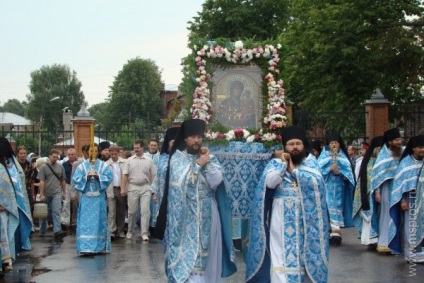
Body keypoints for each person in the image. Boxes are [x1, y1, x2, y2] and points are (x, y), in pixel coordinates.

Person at [245, 126, 328, 282]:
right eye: (291, 144)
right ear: (285, 147)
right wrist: (284, 166)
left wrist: (294, 171)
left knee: (301, 259)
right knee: (279, 258)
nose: (295, 147)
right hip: (279, 219)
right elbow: (269, 183)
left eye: (298, 143)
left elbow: (317, 184)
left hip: (304, 220)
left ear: (304, 145)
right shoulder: (275, 164)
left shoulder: (311, 164)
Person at [157, 119, 236, 283]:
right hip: (186, 217)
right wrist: (197, 165)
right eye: (193, 137)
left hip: (208, 212)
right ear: (185, 139)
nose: (196, 141)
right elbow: (179, 185)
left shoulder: (210, 158)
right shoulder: (177, 159)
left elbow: (216, 181)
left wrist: (205, 162)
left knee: (208, 254)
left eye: (199, 137)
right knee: (188, 255)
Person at [72, 143, 113, 256]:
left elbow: (109, 178)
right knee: (86, 223)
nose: (93, 153)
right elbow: (76, 180)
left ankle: (99, 246)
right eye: (91, 150)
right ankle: (85, 246)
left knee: (99, 221)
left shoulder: (103, 166)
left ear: (98, 152)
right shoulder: (82, 166)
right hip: (86, 199)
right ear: (87, 152)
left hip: (98, 198)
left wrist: (99, 176)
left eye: (95, 150)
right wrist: (87, 177)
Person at [388, 135, 424, 259]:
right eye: (420, 147)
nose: (423, 150)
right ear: (413, 148)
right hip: (411, 199)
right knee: (411, 226)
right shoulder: (405, 163)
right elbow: (400, 183)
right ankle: (412, 255)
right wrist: (402, 200)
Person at [0, 138, 33, 273]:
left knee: (6, 236)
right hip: (5, 207)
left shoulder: (9, 167)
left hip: (5, 208)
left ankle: (4, 262)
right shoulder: (9, 166)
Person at [318, 132, 355, 245]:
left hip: (339, 187)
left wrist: (341, 172)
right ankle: (331, 231)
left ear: (339, 144)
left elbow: (349, 173)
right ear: (328, 144)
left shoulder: (343, 156)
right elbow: (317, 170)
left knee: (338, 207)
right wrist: (328, 169)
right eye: (332, 143)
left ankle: (336, 232)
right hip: (327, 186)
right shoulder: (323, 155)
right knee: (328, 207)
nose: (334, 145)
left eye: (336, 143)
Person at [370, 128, 403, 253]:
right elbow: (376, 175)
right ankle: (385, 242)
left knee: (400, 215)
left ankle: (398, 243)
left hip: (400, 188)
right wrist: (377, 192)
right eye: (396, 140)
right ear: (390, 142)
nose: (399, 142)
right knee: (387, 214)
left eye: (400, 139)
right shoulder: (383, 155)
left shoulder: (403, 152)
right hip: (387, 189)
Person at [121, 140, 156, 241]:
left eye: (137, 148)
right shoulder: (129, 160)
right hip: (133, 187)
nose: (135, 149)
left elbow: (153, 175)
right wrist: (123, 188)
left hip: (145, 187)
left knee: (145, 211)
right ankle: (130, 231)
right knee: (132, 212)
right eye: (134, 148)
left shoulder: (149, 160)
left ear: (142, 148)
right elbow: (125, 175)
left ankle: (144, 233)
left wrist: (153, 189)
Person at [352, 137, 383, 248]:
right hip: (368, 193)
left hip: (378, 192)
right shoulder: (368, 161)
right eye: (379, 148)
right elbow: (366, 178)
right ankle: (371, 240)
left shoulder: (381, 160)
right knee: (370, 217)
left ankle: (379, 239)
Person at [150, 127, 179, 229]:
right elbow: (158, 176)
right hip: (163, 195)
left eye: (176, 142)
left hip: (178, 196)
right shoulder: (161, 158)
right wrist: (155, 194)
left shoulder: (183, 158)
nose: (174, 144)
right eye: (172, 142)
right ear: (168, 143)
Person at [37, 149, 67, 241]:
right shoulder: (44, 167)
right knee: (43, 213)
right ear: (49, 156)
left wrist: (64, 192)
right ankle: (42, 230)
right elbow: (41, 181)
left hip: (56, 192)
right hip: (46, 193)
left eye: (56, 157)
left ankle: (57, 231)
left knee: (56, 211)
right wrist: (41, 194)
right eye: (53, 157)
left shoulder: (60, 167)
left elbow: (63, 180)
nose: (55, 159)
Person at [105, 145, 127, 239]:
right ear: (109, 153)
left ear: (119, 153)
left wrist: (124, 188)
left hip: (121, 188)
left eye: (115, 154)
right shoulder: (106, 164)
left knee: (121, 210)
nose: (113, 156)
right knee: (111, 211)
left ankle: (120, 230)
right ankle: (112, 230)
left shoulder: (124, 162)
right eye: (112, 154)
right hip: (111, 188)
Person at [60, 148, 78, 230]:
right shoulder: (64, 164)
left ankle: (75, 221)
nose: (71, 156)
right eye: (69, 155)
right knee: (66, 202)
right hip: (67, 184)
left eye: (72, 154)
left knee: (75, 203)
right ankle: (65, 221)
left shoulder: (78, 164)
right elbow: (62, 176)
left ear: (75, 154)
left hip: (76, 185)